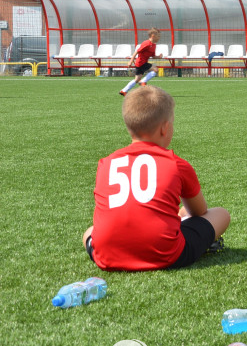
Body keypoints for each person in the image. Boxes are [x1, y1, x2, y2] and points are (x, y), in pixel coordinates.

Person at [84, 86, 230, 271]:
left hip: (106, 256)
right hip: (167, 255)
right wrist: (181, 213)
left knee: (89, 231)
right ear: (165, 128)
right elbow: (199, 211)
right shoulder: (177, 164)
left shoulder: (106, 162)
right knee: (221, 214)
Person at [120, 28, 163, 96]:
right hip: (140, 63)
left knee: (137, 79)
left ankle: (123, 91)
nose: (159, 38)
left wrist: (159, 57)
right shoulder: (146, 43)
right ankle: (143, 81)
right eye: (158, 36)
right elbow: (136, 52)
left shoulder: (154, 45)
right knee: (155, 69)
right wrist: (130, 61)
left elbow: (153, 56)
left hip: (143, 63)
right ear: (153, 35)